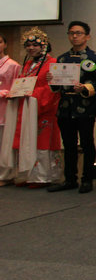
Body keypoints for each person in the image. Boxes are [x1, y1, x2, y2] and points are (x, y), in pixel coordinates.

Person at [47, 21, 96, 194]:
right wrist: (52, 80)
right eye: (71, 33)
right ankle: (70, 179)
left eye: (79, 33)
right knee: (68, 144)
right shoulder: (62, 58)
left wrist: (85, 88)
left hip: (85, 106)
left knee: (87, 144)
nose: (74, 36)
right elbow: (57, 87)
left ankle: (87, 179)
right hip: (65, 106)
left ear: (87, 36)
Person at [11, 28, 61, 187]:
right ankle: (27, 176)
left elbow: (53, 88)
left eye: (35, 45)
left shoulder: (53, 63)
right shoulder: (27, 64)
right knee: (27, 142)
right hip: (27, 107)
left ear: (43, 46)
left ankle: (43, 176)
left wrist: (33, 95)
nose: (31, 48)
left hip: (44, 109)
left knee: (42, 142)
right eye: (28, 45)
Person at [0, 34, 21, 185]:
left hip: (5, 107)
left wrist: (4, 93)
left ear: (5, 44)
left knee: (4, 143)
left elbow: (17, 88)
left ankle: (5, 175)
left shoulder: (13, 65)